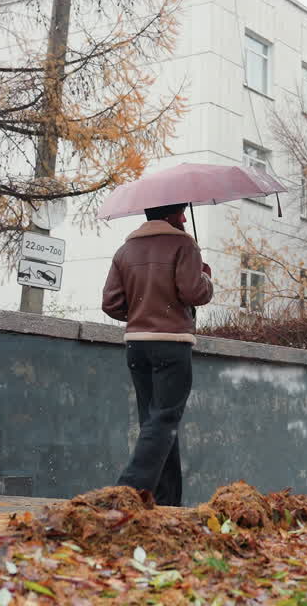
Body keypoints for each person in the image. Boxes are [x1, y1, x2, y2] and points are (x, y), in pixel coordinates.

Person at [101, 202, 212, 506]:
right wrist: (206, 277)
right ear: (171, 215)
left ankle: (167, 503)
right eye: (181, 213)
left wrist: (141, 313)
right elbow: (194, 293)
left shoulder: (125, 251)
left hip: (136, 344)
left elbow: (111, 302)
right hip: (171, 343)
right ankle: (125, 493)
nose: (185, 218)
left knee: (156, 422)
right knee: (163, 420)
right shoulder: (184, 244)